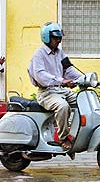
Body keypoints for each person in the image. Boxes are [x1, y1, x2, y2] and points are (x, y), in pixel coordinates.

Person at [27, 22, 82, 150]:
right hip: (47, 93)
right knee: (63, 106)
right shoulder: (39, 55)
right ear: (46, 37)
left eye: (59, 38)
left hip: (61, 90)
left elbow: (69, 69)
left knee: (82, 101)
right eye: (55, 38)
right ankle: (63, 137)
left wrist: (83, 78)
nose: (58, 40)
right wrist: (62, 81)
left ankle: (78, 133)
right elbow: (41, 76)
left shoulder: (60, 53)